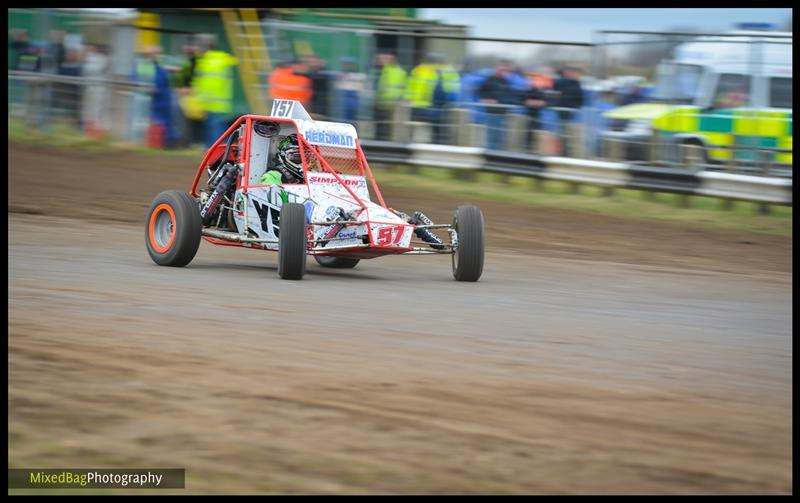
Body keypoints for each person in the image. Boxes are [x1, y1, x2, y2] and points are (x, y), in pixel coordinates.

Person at [405, 53, 460, 144]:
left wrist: (409, 100)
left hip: (420, 106)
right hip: (438, 107)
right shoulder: (449, 72)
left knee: (416, 132)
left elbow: (410, 87)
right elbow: (453, 91)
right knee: (439, 132)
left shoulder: (419, 70)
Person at [193, 34, 238, 147]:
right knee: (216, 130)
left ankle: (216, 150)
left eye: (198, 47)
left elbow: (200, 83)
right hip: (219, 104)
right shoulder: (223, 58)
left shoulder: (204, 62)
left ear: (205, 48)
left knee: (214, 131)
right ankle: (215, 149)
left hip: (211, 104)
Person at [478, 59, 516, 151]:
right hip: (492, 112)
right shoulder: (490, 80)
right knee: (492, 137)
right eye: (502, 70)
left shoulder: (506, 82)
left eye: (506, 71)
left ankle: (497, 155)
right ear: (497, 69)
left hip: (503, 113)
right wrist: (486, 100)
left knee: (500, 138)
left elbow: (510, 96)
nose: (505, 73)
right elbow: (481, 93)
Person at [374, 52, 407, 141]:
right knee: (386, 126)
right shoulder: (400, 72)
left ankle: (382, 141)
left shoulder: (387, 71)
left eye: (386, 58)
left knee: (385, 126)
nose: (381, 60)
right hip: (389, 103)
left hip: (387, 103)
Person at [553, 66, 585, 156]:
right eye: (570, 71)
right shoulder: (561, 82)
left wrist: (577, 106)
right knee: (562, 130)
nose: (572, 73)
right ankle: (562, 151)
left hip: (572, 110)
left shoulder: (577, 83)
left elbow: (579, 97)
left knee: (568, 131)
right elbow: (556, 92)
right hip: (562, 109)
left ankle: (567, 151)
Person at [81, 44, 111, 137]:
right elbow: (86, 69)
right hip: (90, 86)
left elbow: (95, 69)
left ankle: (98, 129)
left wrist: (87, 60)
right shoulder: (89, 59)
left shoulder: (102, 59)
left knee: (98, 108)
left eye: (91, 49)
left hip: (99, 87)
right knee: (89, 108)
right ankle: (90, 128)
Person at [334, 57, 367, 124]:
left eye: (348, 64)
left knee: (352, 122)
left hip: (353, 104)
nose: (346, 66)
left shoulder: (359, 76)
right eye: (344, 64)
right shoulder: (339, 76)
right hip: (342, 104)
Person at [522, 77, 547, 153]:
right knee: (529, 132)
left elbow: (546, 102)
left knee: (537, 131)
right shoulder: (528, 91)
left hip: (538, 115)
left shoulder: (541, 92)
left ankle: (535, 148)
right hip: (529, 115)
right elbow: (524, 101)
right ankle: (529, 148)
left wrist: (538, 103)